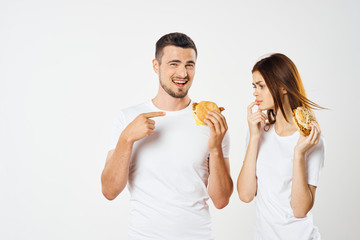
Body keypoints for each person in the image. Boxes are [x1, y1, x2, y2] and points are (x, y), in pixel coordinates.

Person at [101, 32, 233, 240]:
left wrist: (216, 148)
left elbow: (221, 200)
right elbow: (109, 191)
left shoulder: (211, 121)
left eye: (190, 65)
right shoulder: (127, 118)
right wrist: (126, 138)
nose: (183, 73)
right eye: (174, 63)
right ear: (156, 66)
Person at [237, 53, 325, 240]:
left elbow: (300, 210)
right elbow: (245, 194)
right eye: (254, 86)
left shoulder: (310, 139)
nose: (255, 92)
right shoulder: (258, 132)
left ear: (283, 87)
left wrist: (299, 154)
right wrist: (254, 137)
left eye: (261, 86)